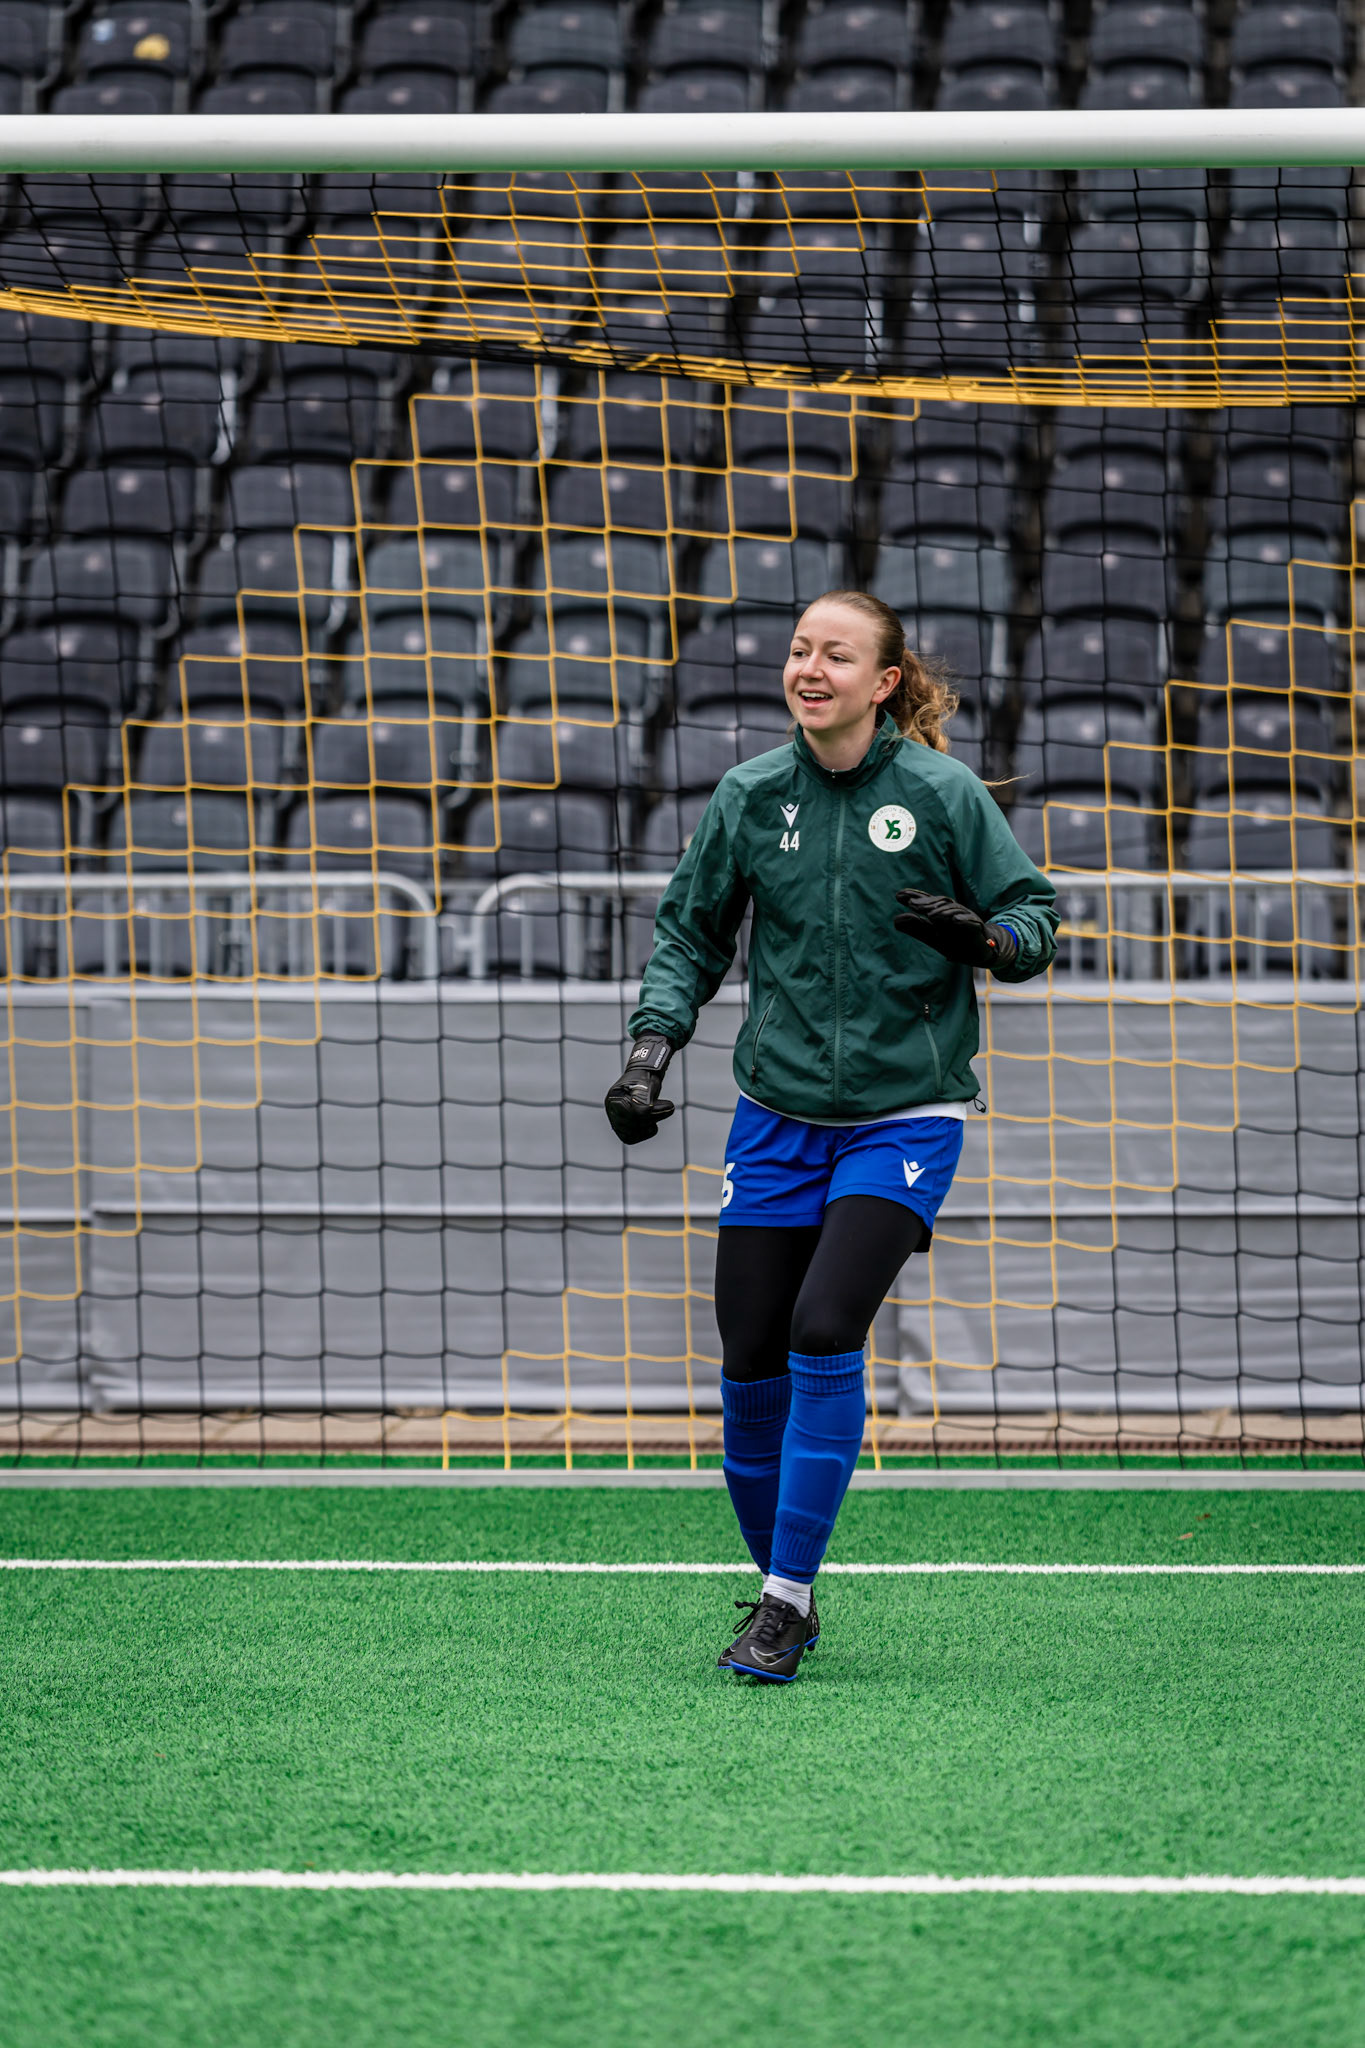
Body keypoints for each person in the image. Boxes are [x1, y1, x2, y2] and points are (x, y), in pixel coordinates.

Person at [604, 590, 1058, 1681]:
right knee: (749, 1358)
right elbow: (690, 934)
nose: (811, 667)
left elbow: (1037, 918)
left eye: (836, 653)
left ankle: (780, 1598)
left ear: (884, 682)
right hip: (775, 1112)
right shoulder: (752, 794)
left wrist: (989, 937)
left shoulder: (943, 793)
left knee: (820, 1325)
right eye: (801, 650)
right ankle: (787, 1587)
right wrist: (649, 1051)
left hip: (907, 1113)